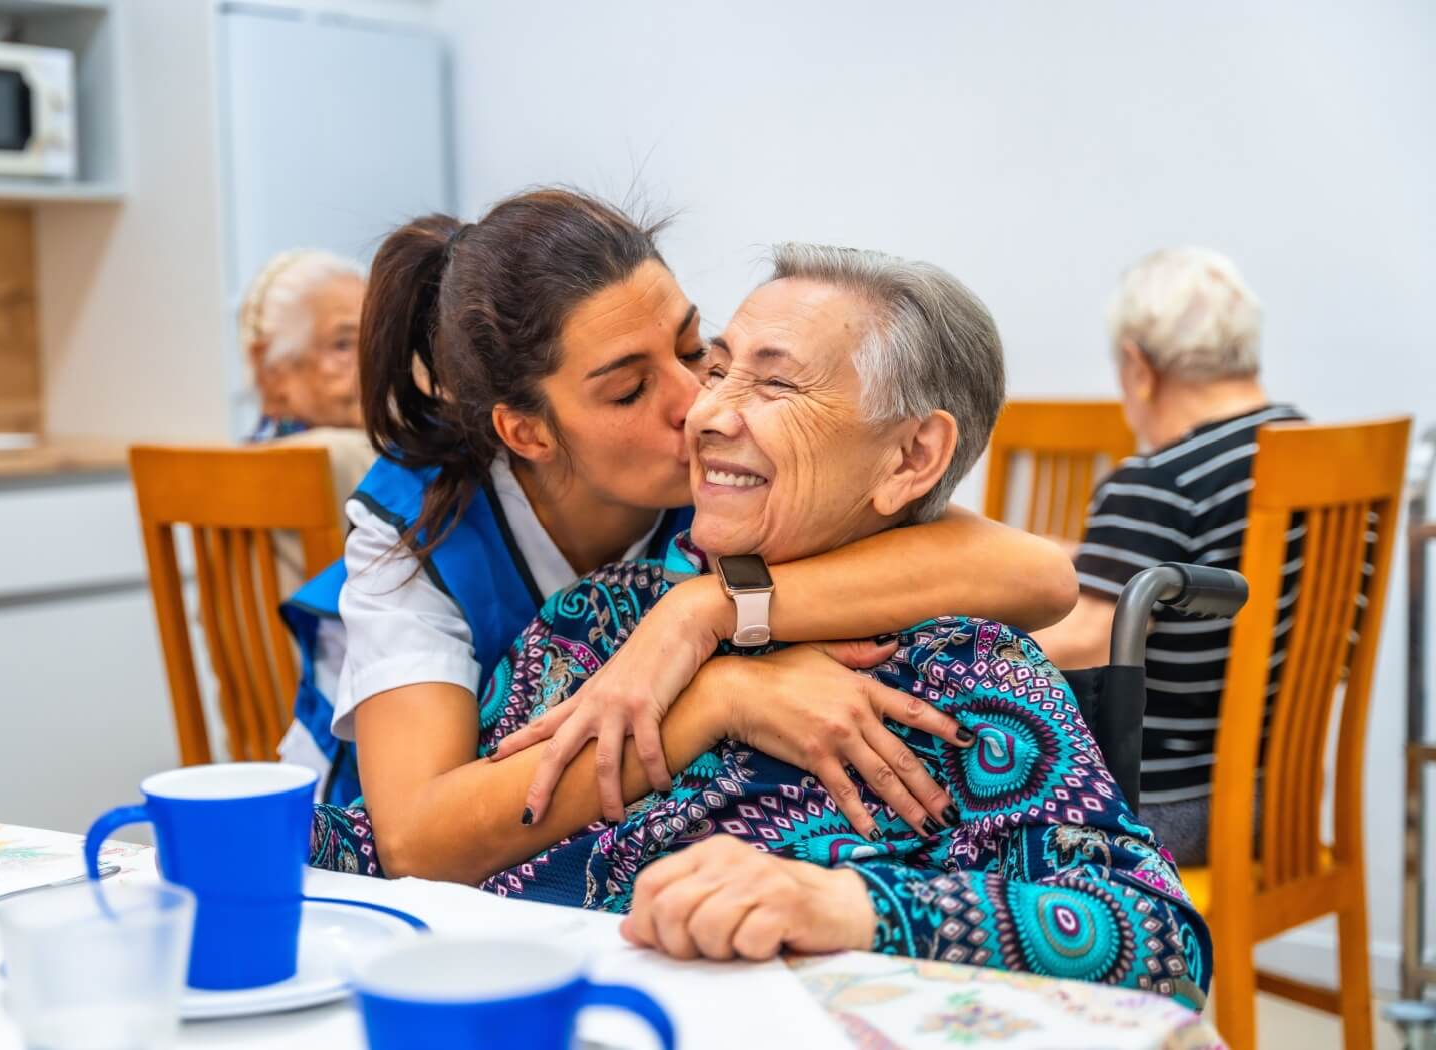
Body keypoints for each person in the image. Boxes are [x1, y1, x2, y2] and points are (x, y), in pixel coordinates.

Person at [313, 244, 1209, 1009]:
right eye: (722, 368)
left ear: (910, 458)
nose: (703, 412)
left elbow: (1161, 940)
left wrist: (845, 906)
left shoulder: (966, 675)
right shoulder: (604, 622)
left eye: (772, 381)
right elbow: (400, 845)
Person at [280, 189, 1079, 811]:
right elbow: (418, 834)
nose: (699, 401)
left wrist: (708, 611)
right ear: (527, 433)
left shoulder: (727, 485)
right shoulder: (417, 530)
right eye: (630, 390)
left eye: (697, 348)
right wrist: (721, 696)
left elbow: (1037, 576)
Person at [1032, 247, 1305, 865]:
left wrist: (948, 637)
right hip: (1269, 796)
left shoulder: (1162, 481)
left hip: (1160, 807)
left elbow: (1089, 640)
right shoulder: (1304, 451)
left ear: (1138, 365)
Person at [236, 250, 376, 594]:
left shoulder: (230, 467)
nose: (372, 364)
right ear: (271, 367)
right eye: (342, 344)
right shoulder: (341, 456)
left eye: (375, 341)